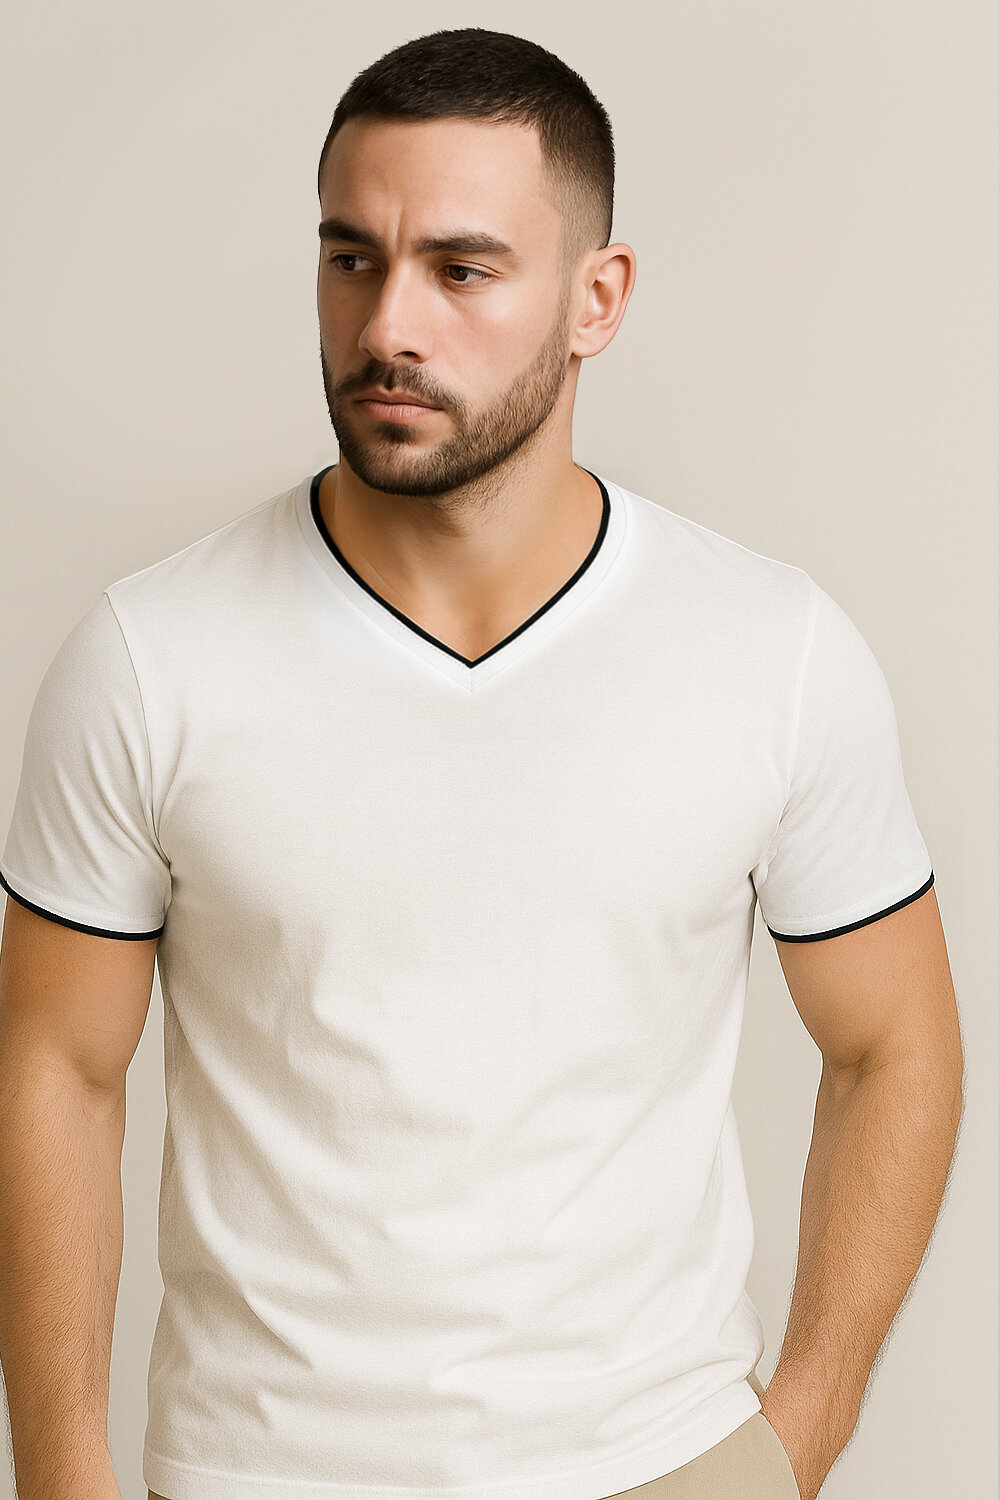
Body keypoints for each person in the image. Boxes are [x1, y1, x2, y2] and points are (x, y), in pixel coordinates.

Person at [0, 26, 963, 1500]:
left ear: (597, 299)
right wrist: (63, 1479)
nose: (389, 324)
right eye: (352, 259)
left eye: (461, 270)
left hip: (658, 1461)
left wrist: (792, 1445)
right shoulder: (148, 655)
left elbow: (896, 1044)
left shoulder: (773, 651)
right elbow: (56, 1072)